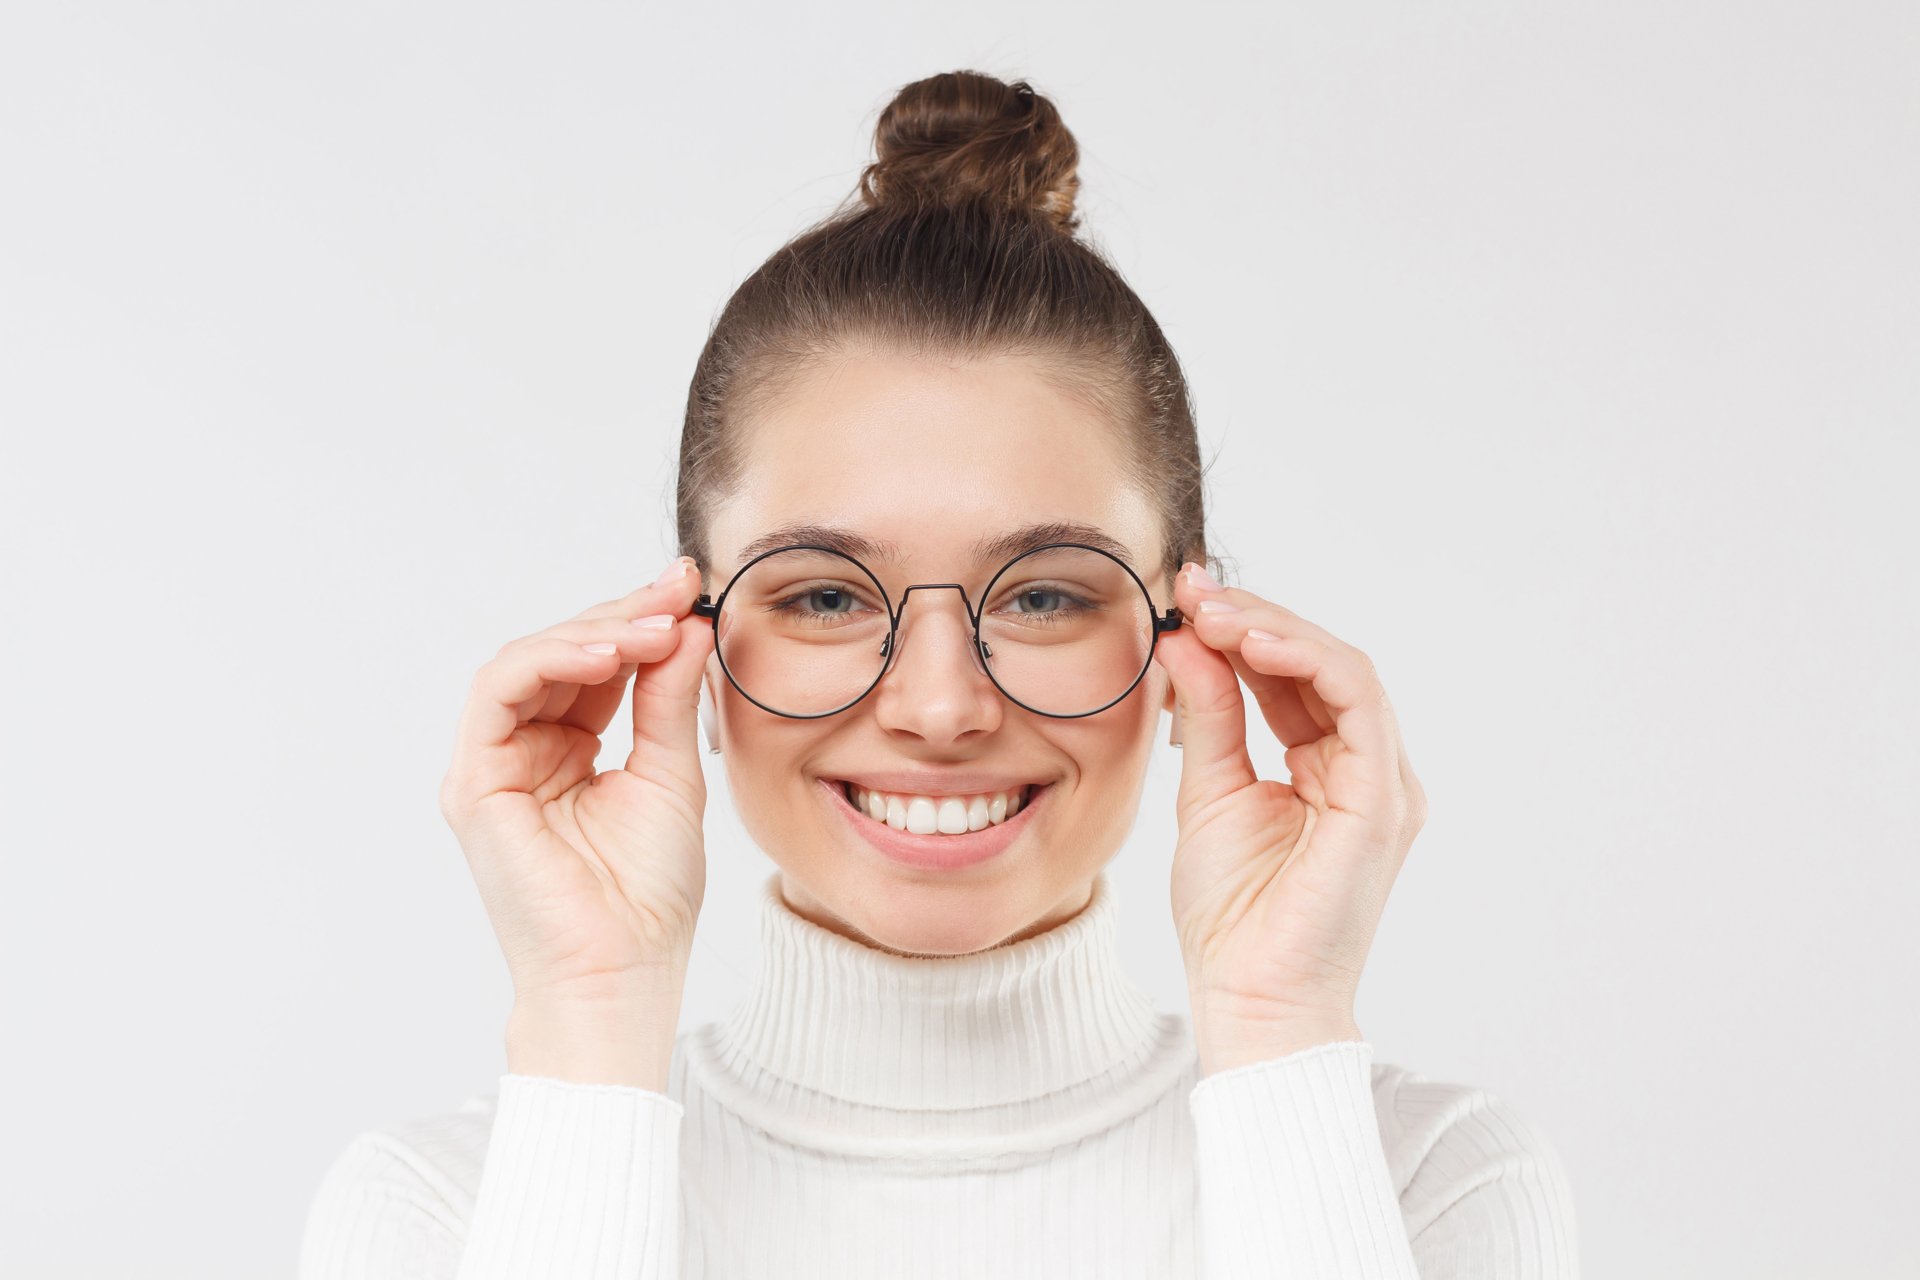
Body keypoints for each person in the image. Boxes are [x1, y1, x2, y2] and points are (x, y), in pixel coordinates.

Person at [299, 69, 1579, 1279]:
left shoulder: (1427, 1183)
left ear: (1191, 636)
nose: (939, 707)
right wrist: (590, 1010)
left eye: (1040, 594)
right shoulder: (444, 1208)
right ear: (683, 635)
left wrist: (1277, 1013)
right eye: (822, 595)